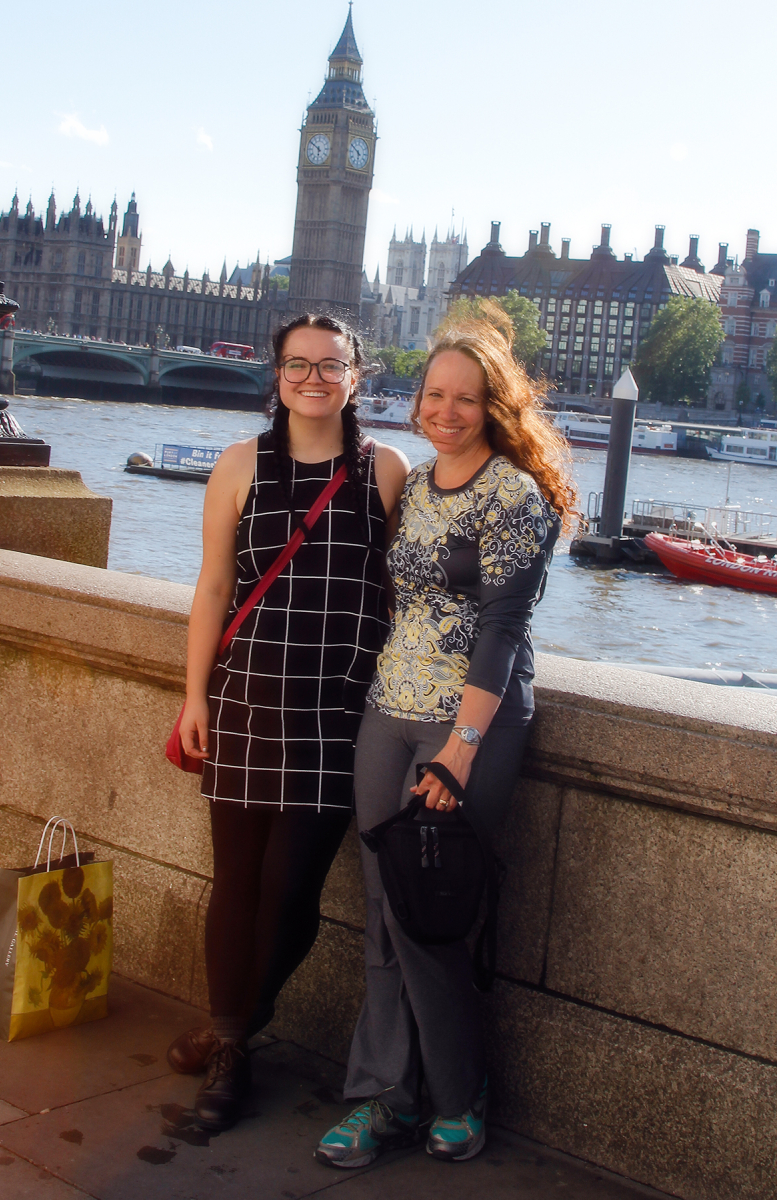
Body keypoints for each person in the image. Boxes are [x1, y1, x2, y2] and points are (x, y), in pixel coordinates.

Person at [316, 301, 575, 1168]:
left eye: (466, 398)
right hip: (388, 712)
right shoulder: (419, 484)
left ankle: (459, 1095)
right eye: (434, 394)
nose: (446, 411)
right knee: (382, 912)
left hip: (469, 724)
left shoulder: (515, 496)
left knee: (427, 915)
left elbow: (502, 629)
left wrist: (460, 752)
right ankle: (383, 1097)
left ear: (494, 407)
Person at [167, 313, 409, 1132]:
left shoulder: (385, 471)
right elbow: (213, 588)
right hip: (246, 696)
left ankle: (231, 1026)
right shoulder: (239, 465)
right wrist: (195, 696)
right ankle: (232, 1049)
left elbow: (402, 592)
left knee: (291, 890)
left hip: (338, 707)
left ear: (356, 376)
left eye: (330, 365)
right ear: (276, 375)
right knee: (236, 883)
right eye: (297, 365)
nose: (313, 378)